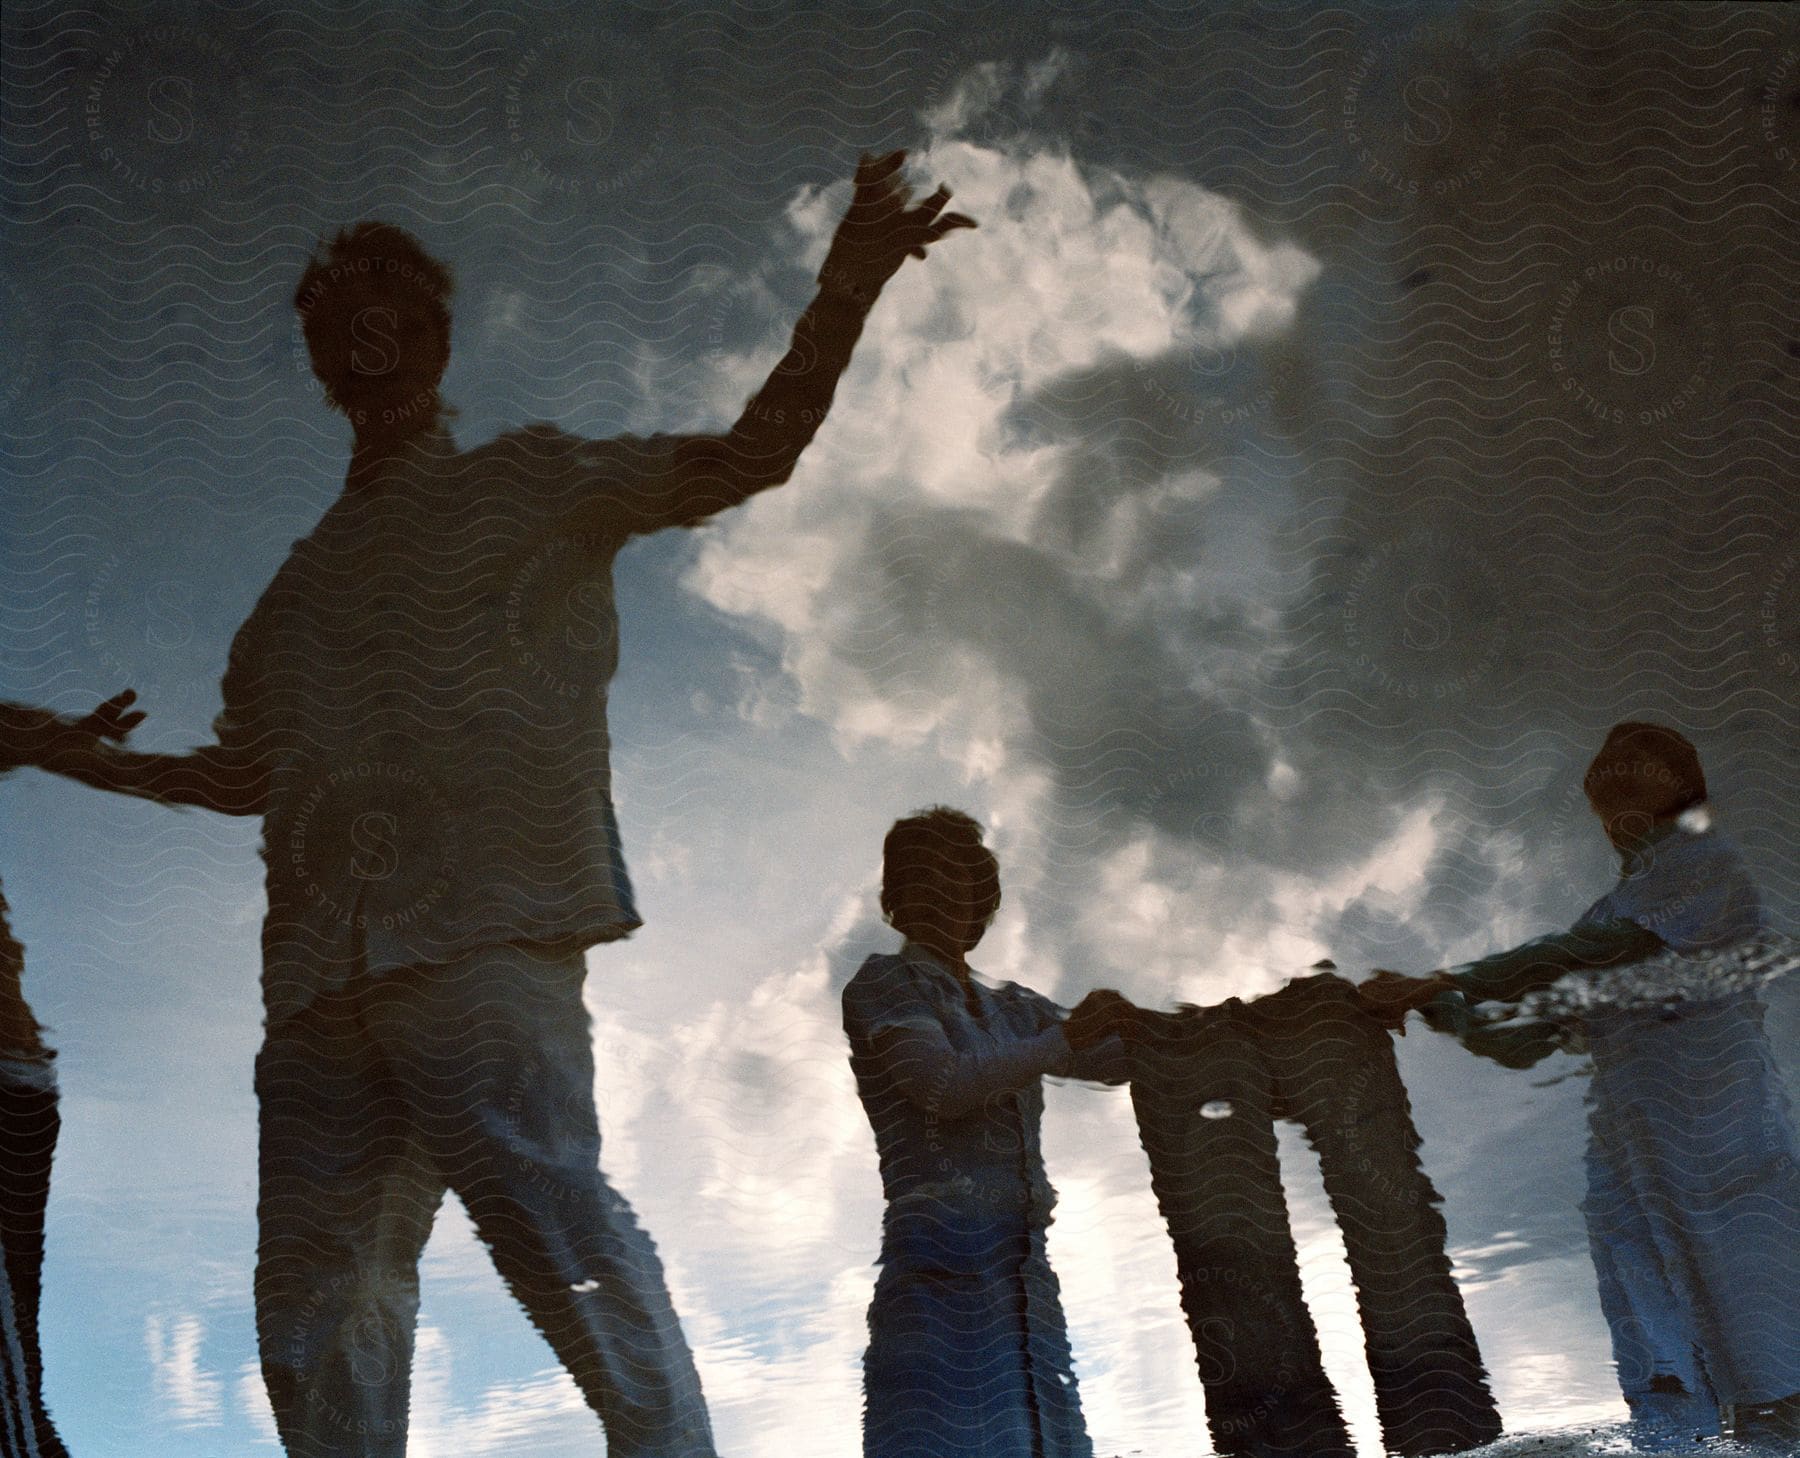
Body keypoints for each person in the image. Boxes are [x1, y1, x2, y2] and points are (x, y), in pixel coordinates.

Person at [46, 153, 974, 1457]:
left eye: (389, 309)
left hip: (482, 940)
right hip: (315, 990)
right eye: (334, 321)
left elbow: (749, 454)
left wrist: (847, 285)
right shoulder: (285, 610)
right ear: (322, 360)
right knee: (313, 1323)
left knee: (562, 1236)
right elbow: (234, 777)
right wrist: (52, 748)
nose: (362, 335)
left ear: (430, 335)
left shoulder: (532, 484)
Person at [1360, 722, 1800, 1448]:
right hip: (1632, 1162)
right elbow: (1525, 1042)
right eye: (1608, 796)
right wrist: (1435, 1004)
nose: (1619, 814)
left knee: (1767, 1345)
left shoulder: (1706, 869)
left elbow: (1595, 952)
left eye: (1634, 794)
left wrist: (1447, 980)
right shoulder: (1609, 907)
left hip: (1724, 1148)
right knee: (1663, 1365)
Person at [1065, 968, 1501, 1458]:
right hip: (1318, 1019)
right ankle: (1441, 1427)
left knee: (1239, 1259)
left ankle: (1311, 1436)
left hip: (1257, 1026)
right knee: (1379, 1233)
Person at [841, 807, 1127, 1458]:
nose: (942, 895)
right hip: (938, 1286)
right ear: (897, 897)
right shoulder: (886, 983)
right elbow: (941, 1086)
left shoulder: (1014, 1007)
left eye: (959, 879)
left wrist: (1285, 1023)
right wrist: (1064, 1039)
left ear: (981, 898)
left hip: (1028, 1292)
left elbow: (1122, 1057)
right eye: (923, 879)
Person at [0, 690, 144, 1458]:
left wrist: (75, 735)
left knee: (12, 1331)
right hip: (16, 1077)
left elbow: (9, 731)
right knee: (13, 1334)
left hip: (12, 1078)